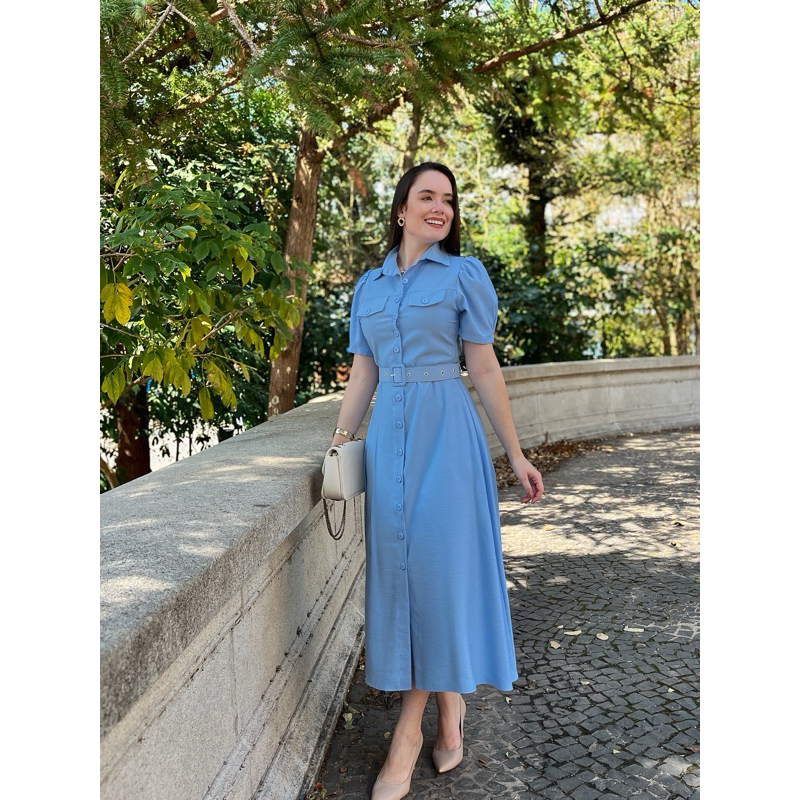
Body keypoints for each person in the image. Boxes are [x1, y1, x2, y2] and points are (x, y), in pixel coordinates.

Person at [331, 162, 544, 800]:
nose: (440, 207)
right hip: (388, 440)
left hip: (447, 440)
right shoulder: (368, 287)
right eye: (426, 196)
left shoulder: (463, 275)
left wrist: (515, 454)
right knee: (403, 576)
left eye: (447, 199)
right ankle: (451, 706)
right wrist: (339, 442)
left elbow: (484, 368)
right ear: (401, 209)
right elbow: (363, 374)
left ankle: (407, 735)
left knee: (438, 573)